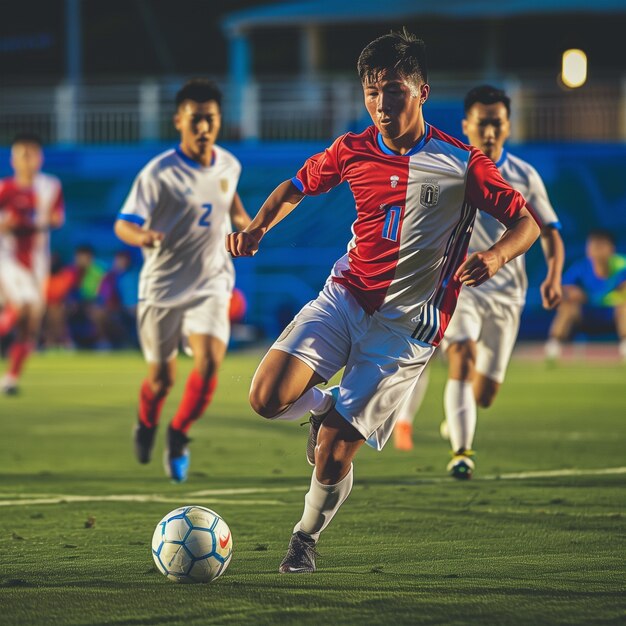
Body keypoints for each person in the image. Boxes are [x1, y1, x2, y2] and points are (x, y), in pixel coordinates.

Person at [227, 30, 540, 573]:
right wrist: (257, 227)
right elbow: (294, 187)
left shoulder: (462, 163)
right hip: (345, 298)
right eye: (371, 92)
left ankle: (305, 536)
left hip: (407, 328)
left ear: (422, 91)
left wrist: (495, 259)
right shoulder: (352, 149)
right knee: (264, 396)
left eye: (392, 90)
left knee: (333, 453)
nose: (380, 104)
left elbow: (525, 223)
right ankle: (323, 408)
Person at [393, 85, 565, 477]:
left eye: (497, 124)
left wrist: (553, 275)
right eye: (482, 124)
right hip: (461, 287)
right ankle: (462, 452)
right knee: (461, 358)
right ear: (467, 126)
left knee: (484, 393)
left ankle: (459, 416)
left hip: (507, 294)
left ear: (508, 126)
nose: (490, 133)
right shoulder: (450, 168)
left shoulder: (524, 175)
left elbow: (549, 230)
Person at [114, 78, 250, 482]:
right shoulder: (159, 174)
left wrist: (251, 228)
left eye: (210, 120)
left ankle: (179, 433)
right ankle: (146, 421)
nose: (203, 128)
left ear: (219, 120)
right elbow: (125, 224)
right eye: (195, 120)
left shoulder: (229, 164)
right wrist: (144, 236)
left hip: (211, 283)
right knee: (161, 381)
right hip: (161, 289)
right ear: (179, 121)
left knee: (209, 365)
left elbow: (233, 207)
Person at [0, 133, 65, 394]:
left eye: (32, 154)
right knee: (25, 306)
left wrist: (31, 221)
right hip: (8, 259)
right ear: (13, 159)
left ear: (40, 158)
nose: (27, 160)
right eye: (22, 154)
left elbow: (57, 219)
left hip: (38, 262)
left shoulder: (50, 186)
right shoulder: (4, 188)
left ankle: (11, 379)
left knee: (31, 324)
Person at [545, 229, 626, 359]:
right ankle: (553, 349)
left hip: (613, 313)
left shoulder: (622, 265)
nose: (596, 250)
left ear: (611, 249)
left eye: (601, 246)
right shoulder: (580, 267)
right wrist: (570, 293)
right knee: (567, 308)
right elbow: (563, 289)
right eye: (593, 245)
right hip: (587, 313)